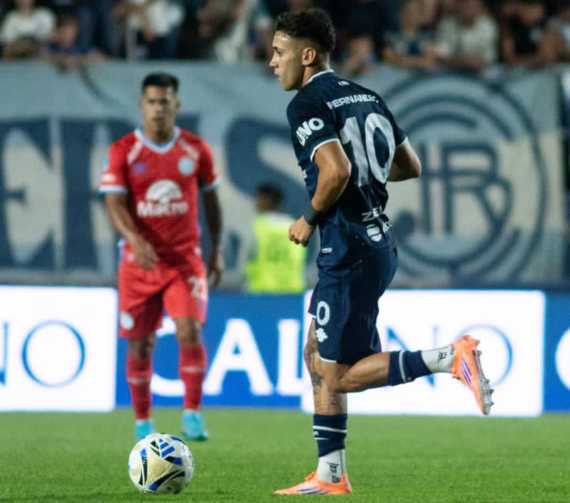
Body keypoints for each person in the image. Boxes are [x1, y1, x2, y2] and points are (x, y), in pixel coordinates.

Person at [269, 8, 493, 495]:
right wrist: (367, 174)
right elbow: (409, 165)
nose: (272, 61)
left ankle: (447, 357)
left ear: (307, 56)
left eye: (279, 52)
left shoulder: (307, 103)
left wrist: (309, 218)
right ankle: (330, 473)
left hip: (346, 246)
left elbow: (336, 171)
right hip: (375, 241)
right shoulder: (366, 95)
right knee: (316, 356)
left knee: (337, 376)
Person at [99, 72, 223, 441]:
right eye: (152, 102)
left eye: (165, 102)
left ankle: (192, 414)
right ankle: (143, 421)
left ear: (176, 105)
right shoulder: (123, 150)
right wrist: (134, 240)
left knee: (189, 330)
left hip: (184, 260)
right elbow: (114, 203)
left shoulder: (195, 149)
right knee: (140, 343)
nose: (158, 108)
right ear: (142, 106)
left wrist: (216, 251)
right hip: (139, 263)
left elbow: (212, 202)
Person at [245, 183, 306, 293]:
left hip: (262, 291)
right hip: (292, 291)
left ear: (266, 200)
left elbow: (246, 260)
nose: (256, 202)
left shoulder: (256, 227)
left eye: (258, 198)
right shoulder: (295, 226)